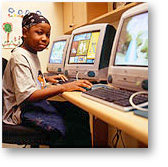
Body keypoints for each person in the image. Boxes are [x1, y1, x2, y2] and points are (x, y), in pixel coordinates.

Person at [2, 12, 92, 147]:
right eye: (39, 33)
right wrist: (63, 87)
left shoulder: (30, 53)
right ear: (25, 32)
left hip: (29, 106)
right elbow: (28, 96)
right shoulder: (19, 57)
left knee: (79, 112)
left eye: (48, 35)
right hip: (20, 112)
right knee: (70, 128)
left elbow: (28, 80)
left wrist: (45, 78)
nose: (45, 38)